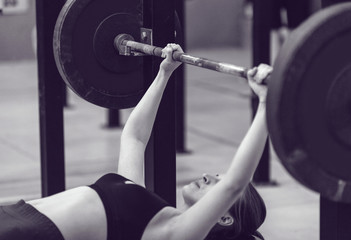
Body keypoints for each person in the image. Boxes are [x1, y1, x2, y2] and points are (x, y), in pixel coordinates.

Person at [0, 43, 271, 240]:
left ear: (224, 216)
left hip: (25, 233)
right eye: (215, 175)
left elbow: (236, 183)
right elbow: (135, 138)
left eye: (217, 181)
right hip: (15, 213)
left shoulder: (173, 235)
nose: (208, 176)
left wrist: (265, 104)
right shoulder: (147, 208)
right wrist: (165, 73)